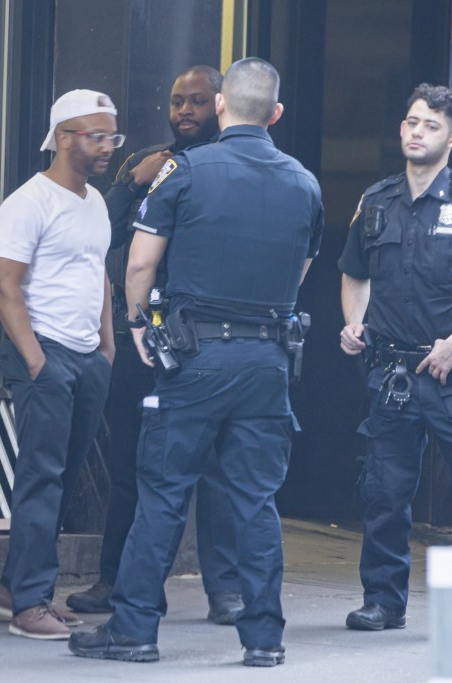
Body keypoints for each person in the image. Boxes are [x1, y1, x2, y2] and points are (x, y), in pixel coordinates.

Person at [69, 57, 323, 666]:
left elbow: (138, 260)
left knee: (163, 492)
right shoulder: (305, 184)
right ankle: (263, 638)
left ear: (219, 107)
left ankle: (134, 630)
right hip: (267, 361)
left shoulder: (184, 171)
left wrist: (136, 321)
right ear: (277, 114)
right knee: (255, 501)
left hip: (195, 357)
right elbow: (303, 270)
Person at [337, 84, 452, 631]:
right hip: (392, 372)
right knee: (384, 492)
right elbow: (355, 273)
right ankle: (383, 601)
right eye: (412, 122)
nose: (417, 132)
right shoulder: (376, 201)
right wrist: (355, 322)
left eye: (431, 126)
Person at [66, 65, 244, 625]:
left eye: (196, 102)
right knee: (129, 464)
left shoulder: (236, 164)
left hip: (212, 338)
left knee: (217, 471)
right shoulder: (145, 162)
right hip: (145, 334)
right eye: (175, 102)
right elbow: (101, 234)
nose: (184, 112)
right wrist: (131, 181)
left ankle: (225, 590)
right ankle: (113, 578)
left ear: (220, 104)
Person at [0, 89, 117, 640]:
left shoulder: (96, 202)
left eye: (114, 135)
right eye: (98, 135)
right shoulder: (27, 202)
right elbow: (4, 285)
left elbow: (100, 276)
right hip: (48, 355)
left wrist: (107, 351)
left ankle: (13, 587)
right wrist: (39, 362)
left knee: (63, 483)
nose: (109, 146)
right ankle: (29, 606)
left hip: (88, 357)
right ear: (64, 137)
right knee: (42, 479)